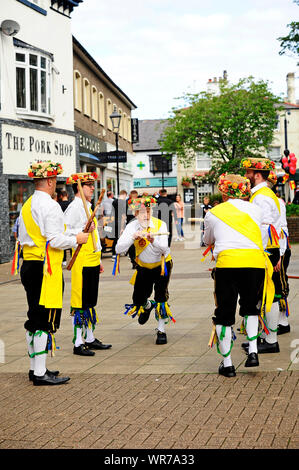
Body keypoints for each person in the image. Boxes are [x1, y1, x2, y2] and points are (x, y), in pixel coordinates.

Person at [18, 160, 89, 386]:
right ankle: (40, 373)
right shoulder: (50, 205)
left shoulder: (27, 204)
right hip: (44, 268)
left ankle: (35, 368)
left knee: (34, 315)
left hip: (29, 264)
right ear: (49, 181)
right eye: (55, 181)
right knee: (42, 319)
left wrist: (76, 232)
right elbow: (55, 239)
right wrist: (77, 239)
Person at [204, 173, 274, 377]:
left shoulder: (213, 212)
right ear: (243, 191)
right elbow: (263, 236)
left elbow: (207, 240)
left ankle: (227, 365)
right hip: (254, 262)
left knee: (224, 313)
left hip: (228, 264)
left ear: (224, 192)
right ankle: (253, 351)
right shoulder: (256, 210)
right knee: (251, 307)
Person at [115, 196, 174, 345]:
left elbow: (165, 250)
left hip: (161, 265)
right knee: (138, 299)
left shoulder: (160, 225)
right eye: (142, 212)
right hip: (143, 267)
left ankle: (161, 330)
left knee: (161, 297)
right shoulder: (132, 227)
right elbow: (118, 249)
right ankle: (147, 306)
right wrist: (132, 238)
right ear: (135, 214)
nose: (146, 215)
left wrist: (153, 241)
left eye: (148, 211)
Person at [64, 172, 112, 356]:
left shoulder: (89, 205)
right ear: (78, 187)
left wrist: (98, 258)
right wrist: (82, 229)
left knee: (90, 300)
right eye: (88, 184)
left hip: (91, 257)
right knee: (80, 300)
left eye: (93, 184)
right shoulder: (74, 207)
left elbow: (93, 236)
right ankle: (77, 342)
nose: (92, 187)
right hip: (81, 260)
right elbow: (65, 233)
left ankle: (90, 337)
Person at [241, 157, 284, 354]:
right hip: (266, 249)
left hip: (265, 249)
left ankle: (271, 339)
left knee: (269, 295)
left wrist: (259, 250)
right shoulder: (260, 194)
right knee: (262, 295)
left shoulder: (262, 197)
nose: (246, 176)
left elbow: (264, 226)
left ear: (257, 175)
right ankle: (265, 336)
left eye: (248, 173)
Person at [267, 171, 292, 335]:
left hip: (279, 249)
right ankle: (274, 322)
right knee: (272, 285)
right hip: (273, 250)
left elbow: (281, 229)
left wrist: (280, 254)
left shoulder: (277, 202)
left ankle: (283, 321)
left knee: (280, 285)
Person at [111, 189, 128, 260]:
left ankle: (114, 253)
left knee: (116, 238)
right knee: (121, 237)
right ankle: (118, 252)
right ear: (125, 194)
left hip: (114, 221)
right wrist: (122, 226)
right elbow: (123, 215)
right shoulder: (124, 203)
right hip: (121, 222)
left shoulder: (114, 202)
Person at [57, 190, 71, 266]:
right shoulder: (70, 204)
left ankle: (64, 259)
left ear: (61, 196)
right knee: (71, 241)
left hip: (62, 225)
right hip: (69, 224)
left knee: (63, 242)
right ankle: (71, 258)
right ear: (67, 195)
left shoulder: (58, 205)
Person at [126, 190, 139, 269]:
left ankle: (136, 261)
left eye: (135, 197)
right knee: (131, 244)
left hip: (138, 225)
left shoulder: (139, 203)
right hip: (130, 225)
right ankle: (133, 260)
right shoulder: (127, 204)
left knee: (137, 243)